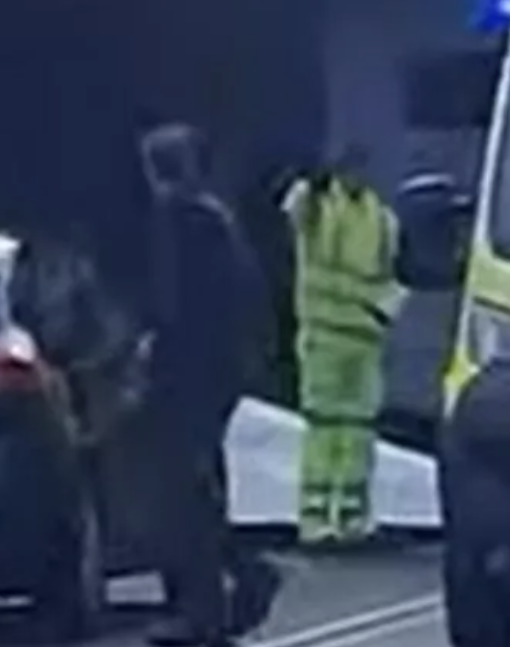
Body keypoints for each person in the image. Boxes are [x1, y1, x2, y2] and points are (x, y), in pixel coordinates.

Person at [137, 122, 281, 647]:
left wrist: (152, 347)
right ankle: (230, 584)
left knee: (183, 494)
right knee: (199, 489)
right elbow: (245, 295)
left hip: (188, 373)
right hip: (215, 372)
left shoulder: (184, 222)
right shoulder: (216, 219)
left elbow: (178, 303)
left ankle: (203, 608)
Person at [283, 143, 403, 548]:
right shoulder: (315, 206)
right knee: (323, 427)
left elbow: (395, 272)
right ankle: (315, 516)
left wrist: (388, 311)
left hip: (365, 340)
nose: (355, 175)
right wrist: (310, 179)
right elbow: (291, 207)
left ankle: (352, 514)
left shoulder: (382, 219)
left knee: (359, 431)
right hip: (323, 336)